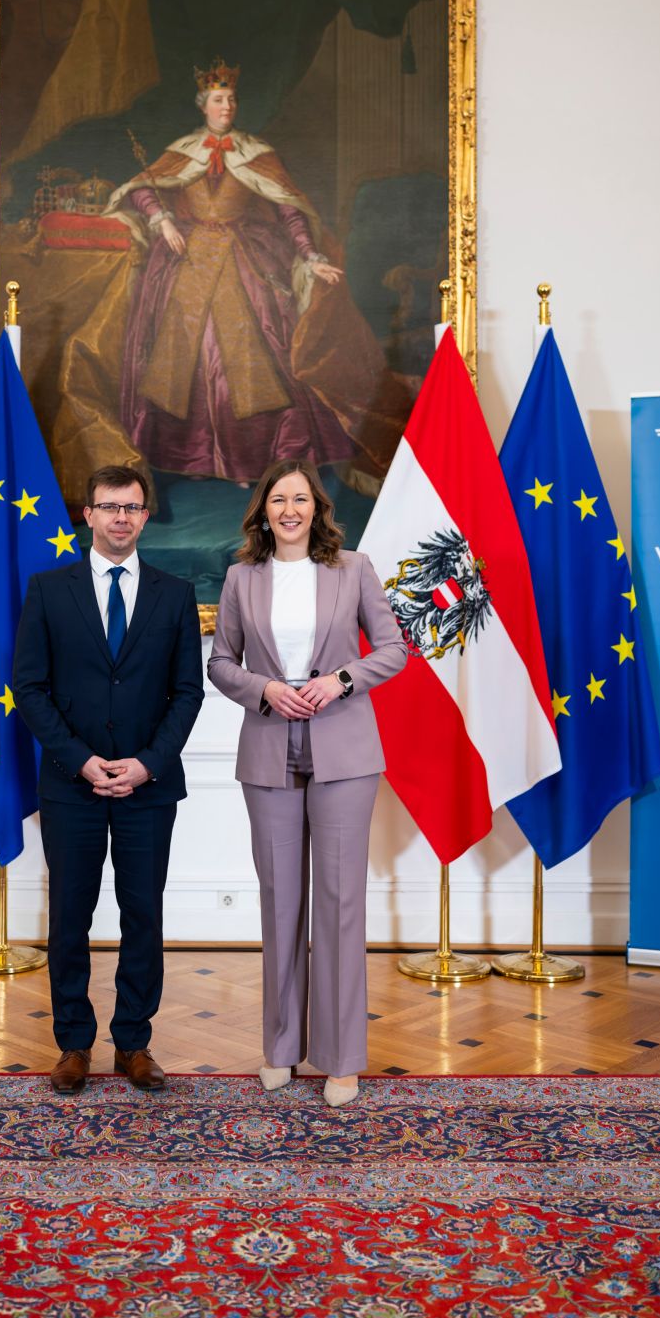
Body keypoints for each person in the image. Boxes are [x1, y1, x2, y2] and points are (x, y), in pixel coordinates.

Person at [104, 60, 409, 485]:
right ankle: (194, 460)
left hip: (242, 259)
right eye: (218, 100)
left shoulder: (256, 153)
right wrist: (162, 220)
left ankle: (249, 460)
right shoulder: (183, 151)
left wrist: (310, 255)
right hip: (186, 260)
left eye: (231, 99)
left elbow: (290, 210)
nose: (226, 106)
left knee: (248, 352)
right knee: (184, 357)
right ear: (203, 106)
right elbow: (140, 189)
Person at [207, 460, 406, 1107]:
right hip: (268, 746)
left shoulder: (353, 567)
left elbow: (391, 648)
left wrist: (340, 680)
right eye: (277, 499)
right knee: (281, 901)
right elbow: (220, 662)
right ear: (262, 511)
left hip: (345, 748)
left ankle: (342, 1058)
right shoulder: (241, 577)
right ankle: (280, 1046)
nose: (288, 508)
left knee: (341, 903)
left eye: (300, 498)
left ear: (316, 508)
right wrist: (262, 689)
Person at [12, 464, 204, 1095]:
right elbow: (31, 689)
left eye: (132, 507)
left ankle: (133, 1043)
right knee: (70, 916)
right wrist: (81, 760)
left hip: (150, 788)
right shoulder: (48, 589)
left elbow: (187, 693)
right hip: (73, 785)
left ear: (146, 517)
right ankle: (73, 1043)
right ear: (87, 515)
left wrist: (147, 762)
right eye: (108, 506)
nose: (121, 517)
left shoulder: (175, 595)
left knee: (142, 915)